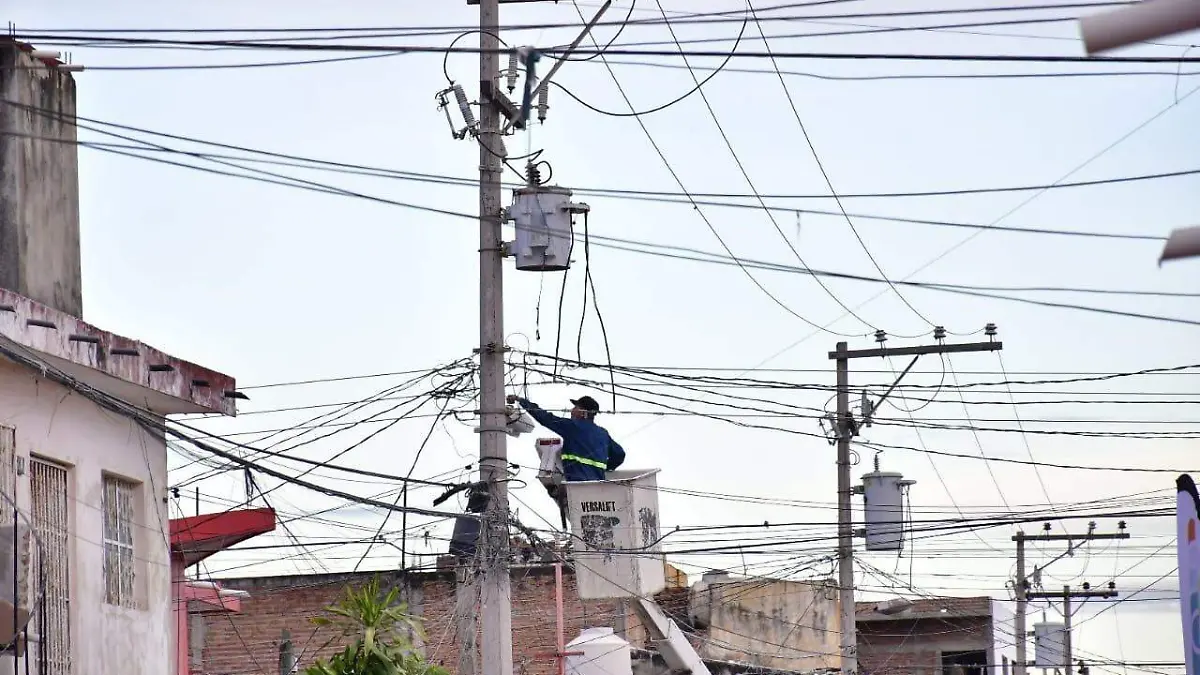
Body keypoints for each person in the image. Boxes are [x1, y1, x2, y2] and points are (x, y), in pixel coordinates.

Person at [507, 393, 625, 527]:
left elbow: (545, 418)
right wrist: (607, 468)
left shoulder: (573, 427)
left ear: (583, 413)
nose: (572, 410)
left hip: (577, 487)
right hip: (597, 489)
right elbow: (619, 454)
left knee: (582, 525)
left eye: (575, 407)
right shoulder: (603, 434)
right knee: (594, 525)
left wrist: (521, 401)